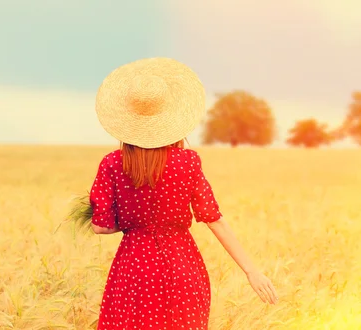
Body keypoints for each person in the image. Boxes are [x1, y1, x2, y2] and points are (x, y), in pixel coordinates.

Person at [89, 57, 278, 330]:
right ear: (172, 119)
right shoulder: (188, 162)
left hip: (133, 271)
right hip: (182, 267)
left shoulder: (112, 164)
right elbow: (214, 219)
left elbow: (99, 227)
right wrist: (252, 271)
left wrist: (133, 221)